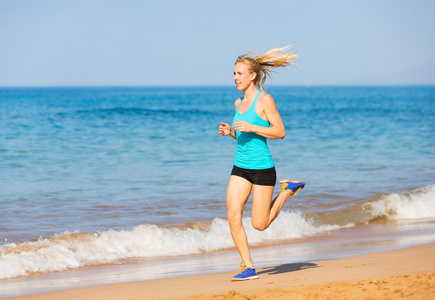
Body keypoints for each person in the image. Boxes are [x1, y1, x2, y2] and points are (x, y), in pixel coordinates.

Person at [219, 46, 305, 281]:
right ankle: (248, 266)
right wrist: (230, 133)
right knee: (232, 215)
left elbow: (280, 132)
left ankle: (287, 190)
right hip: (240, 167)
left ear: (252, 76)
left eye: (240, 74)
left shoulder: (264, 100)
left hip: (263, 169)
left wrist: (253, 126)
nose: (236, 78)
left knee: (260, 224)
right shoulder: (238, 104)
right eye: (234, 74)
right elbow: (244, 137)